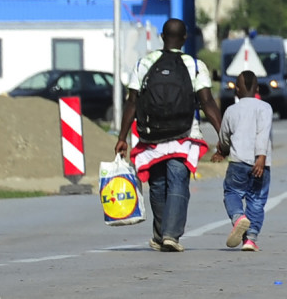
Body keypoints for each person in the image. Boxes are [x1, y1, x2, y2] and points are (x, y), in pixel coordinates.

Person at [115, 18, 222, 253]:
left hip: (151, 135)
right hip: (183, 135)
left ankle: (161, 233)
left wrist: (122, 137)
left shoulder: (144, 63)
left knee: (158, 183)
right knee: (178, 181)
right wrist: (223, 134)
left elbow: (132, 102)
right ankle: (170, 234)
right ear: (185, 39)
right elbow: (207, 102)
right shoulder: (194, 65)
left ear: (162, 37)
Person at [210, 70, 273, 252]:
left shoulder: (231, 110)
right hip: (261, 164)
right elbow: (263, 133)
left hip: (238, 162)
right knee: (256, 200)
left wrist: (221, 151)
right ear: (257, 88)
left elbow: (224, 136)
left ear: (236, 89)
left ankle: (238, 217)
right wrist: (261, 157)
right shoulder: (265, 108)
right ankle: (250, 240)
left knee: (232, 193)